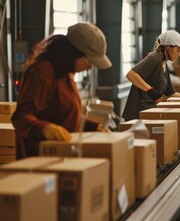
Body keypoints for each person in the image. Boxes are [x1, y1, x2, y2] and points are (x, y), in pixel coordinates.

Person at [12, 22, 112, 158]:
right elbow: (21, 117)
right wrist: (45, 128)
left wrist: (93, 127)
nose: (90, 68)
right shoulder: (42, 72)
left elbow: (64, 114)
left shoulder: (66, 73)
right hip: (41, 159)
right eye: (89, 62)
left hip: (64, 155)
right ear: (73, 53)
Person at [122, 30, 180, 121]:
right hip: (137, 114)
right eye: (178, 50)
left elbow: (170, 93)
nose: (179, 54)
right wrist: (150, 90)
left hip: (148, 111)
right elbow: (131, 74)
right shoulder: (154, 58)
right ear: (168, 48)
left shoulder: (164, 64)